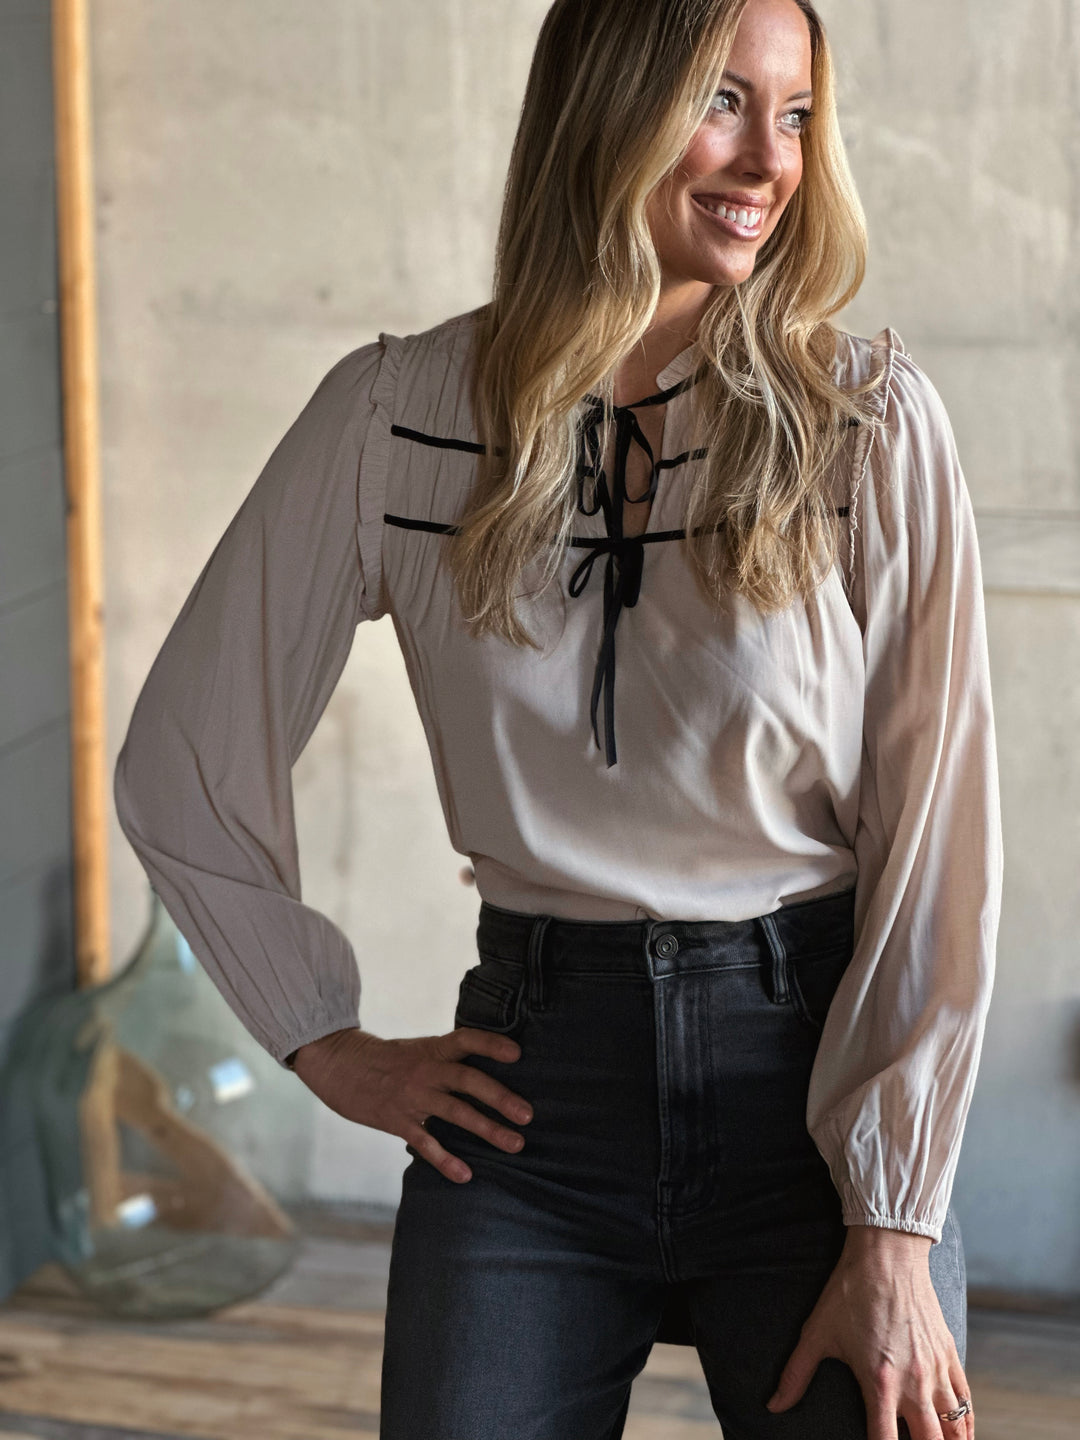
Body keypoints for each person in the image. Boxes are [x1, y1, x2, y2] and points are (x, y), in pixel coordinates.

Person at [113, 0, 1002, 1435]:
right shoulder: (396, 417)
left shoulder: (867, 425)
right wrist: (320, 1037)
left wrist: (893, 1223)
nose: (768, 160)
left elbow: (939, 839)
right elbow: (185, 757)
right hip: (532, 1110)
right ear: (611, 101)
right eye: (722, 101)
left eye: (794, 114)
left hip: (815, 1098)